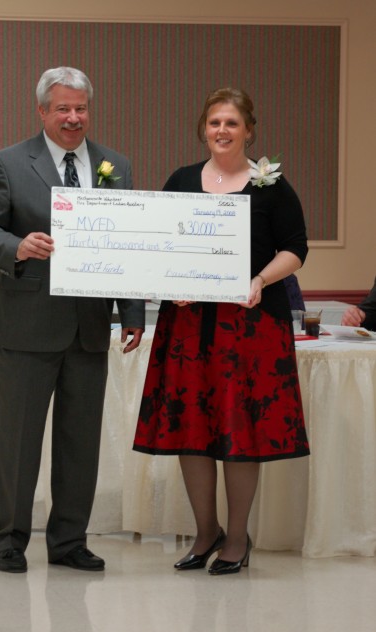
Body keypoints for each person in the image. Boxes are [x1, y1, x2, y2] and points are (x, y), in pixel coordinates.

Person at [0, 66, 145, 573]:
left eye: (81, 107)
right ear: (42, 110)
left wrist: (131, 313)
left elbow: (128, 244)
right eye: (62, 107)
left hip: (90, 327)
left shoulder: (116, 165)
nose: (73, 117)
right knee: (18, 442)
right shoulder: (8, 162)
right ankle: (10, 541)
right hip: (29, 324)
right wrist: (16, 246)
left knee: (79, 442)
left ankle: (69, 542)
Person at [133, 87, 309, 576]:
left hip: (251, 329)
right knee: (192, 430)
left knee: (239, 433)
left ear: (249, 130)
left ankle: (236, 537)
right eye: (214, 123)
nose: (222, 131)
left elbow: (296, 248)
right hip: (189, 326)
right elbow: (163, 245)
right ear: (203, 129)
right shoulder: (182, 180)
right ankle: (204, 531)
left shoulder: (272, 185)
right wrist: (173, 283)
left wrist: (260, 279)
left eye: (232, 123)